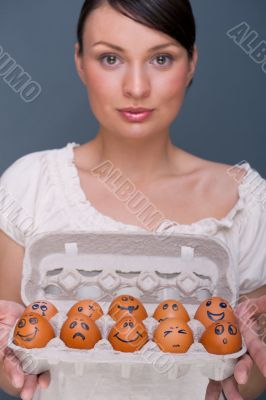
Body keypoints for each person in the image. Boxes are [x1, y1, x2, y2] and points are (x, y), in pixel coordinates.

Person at [0, 0, 265, 399]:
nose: (136, 87)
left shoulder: (246, 198)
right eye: (110, 58)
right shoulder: (30, 185)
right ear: (79, 62)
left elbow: (250, 372)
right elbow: (11, 352)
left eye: (161, 58)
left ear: (191, 62)